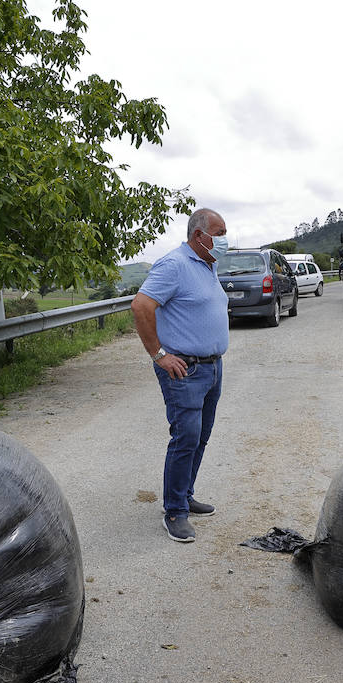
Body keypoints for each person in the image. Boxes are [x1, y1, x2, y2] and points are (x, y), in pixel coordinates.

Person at [131, 208, 230, 543]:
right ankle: (174, 511)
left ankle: (184, 494)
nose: (224, 239)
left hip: (212, 366)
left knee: (200, 436)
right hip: (184, 369)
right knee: (185, 437)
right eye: (219, 232)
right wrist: (159, 354)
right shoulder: (174, 265)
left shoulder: (208, 265)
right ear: (198, 235)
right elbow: (141, 306)